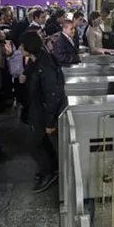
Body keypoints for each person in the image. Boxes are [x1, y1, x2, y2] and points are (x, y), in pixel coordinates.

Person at [19, 31, 67, 193]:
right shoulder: (37, 58)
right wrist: (25, 74)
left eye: (22, 45)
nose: (19, 48)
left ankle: (49, 172)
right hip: (37, 109)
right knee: (41, 142)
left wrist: (49, 122)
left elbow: (53, 95)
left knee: (32, 144)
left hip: (44, 111)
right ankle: (51, 167)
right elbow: (32, 67)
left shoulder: (45, 65)